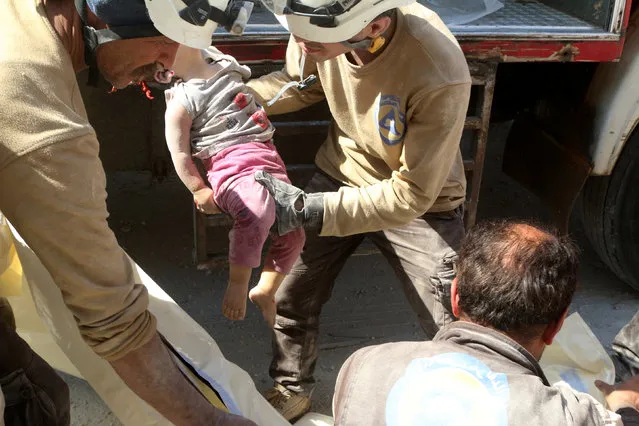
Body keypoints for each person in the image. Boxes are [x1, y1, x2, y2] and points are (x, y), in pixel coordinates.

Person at [0, 0, 256, 424]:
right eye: (167, 46)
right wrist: (210, 420)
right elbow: (111, 316)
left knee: (37, 391)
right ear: (104, 17)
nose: (168, 69)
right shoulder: (36, 112)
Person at [245, 0, 471, 419]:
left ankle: (482, 403)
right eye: (296, 34)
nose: (299, 43)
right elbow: (302, 83)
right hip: (342, 172)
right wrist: (239, 98)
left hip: (419, 202)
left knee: (458, 321)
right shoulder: (318, 29)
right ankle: (291, 386)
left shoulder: (436, 69)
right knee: (291, 291)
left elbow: (412, 194)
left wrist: (309, 209)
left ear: (375, 27)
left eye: (311, 40)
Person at [331, 220, 639, 425]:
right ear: (556, 327)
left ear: (455, 297)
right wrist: (624, 406)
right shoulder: (570, 416)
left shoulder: (362, 367)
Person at [162, 45, 305, 327]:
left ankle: (266, 289)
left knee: (295, 231)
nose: (180, 37)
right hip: (230, 169)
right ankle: (238, 284)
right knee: (257, 212)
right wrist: (199, 189)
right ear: (165, 68)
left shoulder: (221, 60)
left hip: (268, 157)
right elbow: (179, 153)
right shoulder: (181, 101)